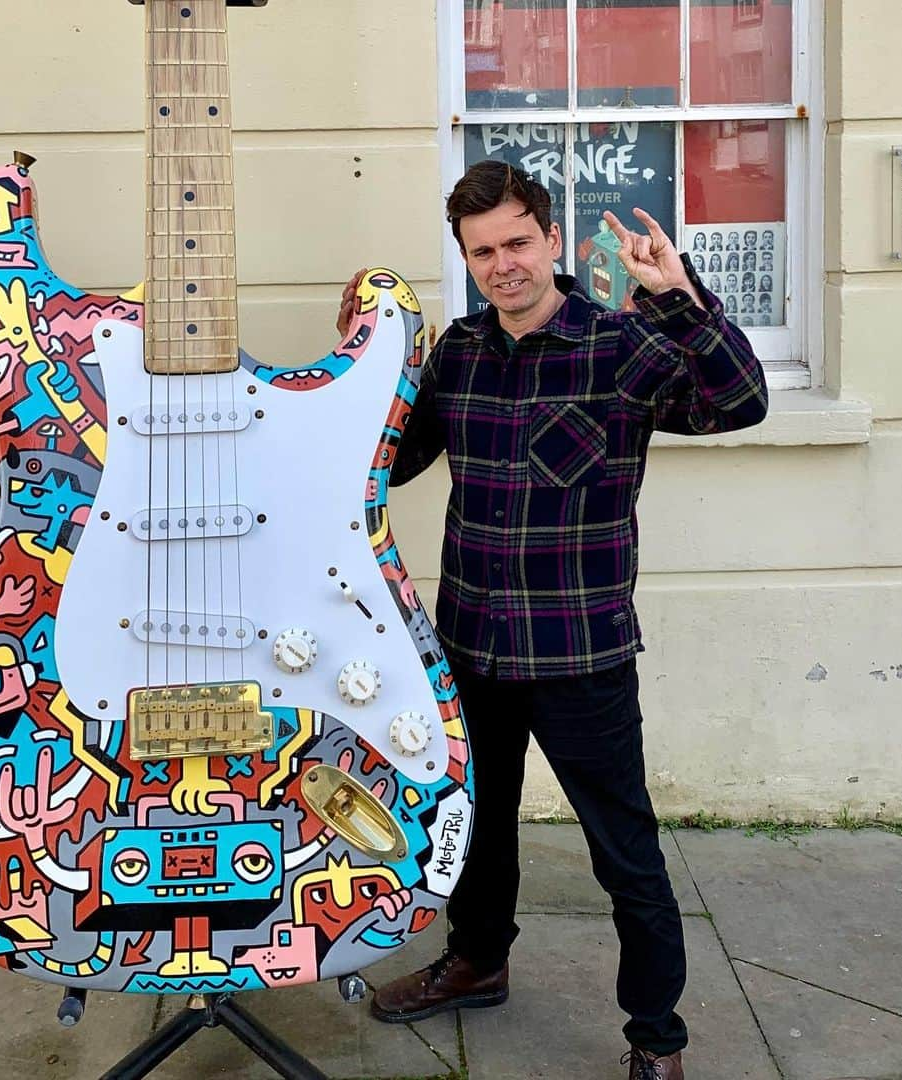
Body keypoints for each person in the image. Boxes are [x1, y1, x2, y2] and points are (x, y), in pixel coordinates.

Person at [335, 162, 768, 1080]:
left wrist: (681, 295)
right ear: (467, 258)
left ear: (553, 241)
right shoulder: (457, 354)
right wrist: (341, 382)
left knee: (626, 854)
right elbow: (383, 466)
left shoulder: (623, 345)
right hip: (471, 646)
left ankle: (657, 1036)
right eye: (483, 250)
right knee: (476, 830)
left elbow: (740, 403)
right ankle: (476, 963)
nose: (503, 264)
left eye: (517, 242)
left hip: (582, 654)